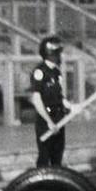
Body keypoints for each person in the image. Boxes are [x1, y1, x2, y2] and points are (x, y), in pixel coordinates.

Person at [30, 35, 71, 166]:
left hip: (59, 117)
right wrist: (48, 121)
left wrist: (71, 106)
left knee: (57, 155)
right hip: (46, 118)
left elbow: (59, 97)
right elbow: (37, 99)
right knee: (44, 155)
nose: (60, 56)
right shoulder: (40, 72)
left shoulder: (56, 72)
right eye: (58, 53)